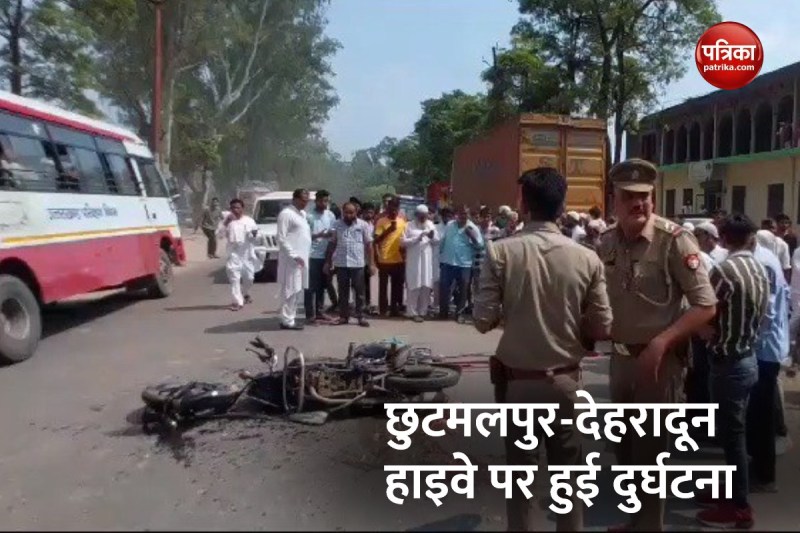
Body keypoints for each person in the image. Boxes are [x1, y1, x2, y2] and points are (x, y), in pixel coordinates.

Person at [473, 167, 612, 531]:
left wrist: (515, 310)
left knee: (520, 482)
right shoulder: (587, 258)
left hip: (517, 384)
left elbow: (482, 319)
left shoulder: (500, 252)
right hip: (566, 384)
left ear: (523, 204)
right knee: (569, 481)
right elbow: (602, 326)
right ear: (562, 205)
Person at [597, 158, 717, 532]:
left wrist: (661, 343)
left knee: (651, 450)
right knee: (624, 451)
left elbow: (706, 306)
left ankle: (651, 526)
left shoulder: (674, 240)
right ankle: (638, 521)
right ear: (613, 199)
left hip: (658, 363)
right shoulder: (605, 241)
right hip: (619, 360)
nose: (639, 204)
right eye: (629, 196)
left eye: (645, 197)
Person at [695, 214, 769, 529]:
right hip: (749, 356)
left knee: (732, 434)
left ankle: (739, 507)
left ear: (723, 239)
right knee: (734, 430)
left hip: (728, 361)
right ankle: (733, 487)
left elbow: (704, 311)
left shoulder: (723, 271)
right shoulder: (758, 267)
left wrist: (703, 332)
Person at [748, 234, 790, 494]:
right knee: (759, 411)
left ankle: (764, 476)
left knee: (761, 414)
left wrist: (749, 341)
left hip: (764, 349)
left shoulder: (761, 263)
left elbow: (767, 309)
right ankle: (759, 467)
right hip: (768, 346)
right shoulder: (765, 258)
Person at [324, 202, 374, 327]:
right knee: (343, 292)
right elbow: (332, 244)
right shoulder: (336, 225)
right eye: (346, 212)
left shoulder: (363, 225)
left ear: (356, 212)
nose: (349, 215)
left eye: (351, 212)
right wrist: (328, 262)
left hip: (358, 264)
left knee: (359, 292)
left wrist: (372, 264)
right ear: (342, 212)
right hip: (342, 264)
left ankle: (360, 316)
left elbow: (369, 245)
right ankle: (343, 317)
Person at [439, 205, 483, 323]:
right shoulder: (449, 225)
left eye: (465, 214)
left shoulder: (473, 228)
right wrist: (439, 257)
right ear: (457, 214)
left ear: (468, 215)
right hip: (448, 261)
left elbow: (480, 246)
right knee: (444, 287)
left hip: (464, 264)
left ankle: (459, 314)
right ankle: (443, 312)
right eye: (461, 213)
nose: (463, 216)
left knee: (463, 290)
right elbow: (442, 241)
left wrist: (472, 237)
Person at [276, 188, 312, 330]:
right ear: (295, 199)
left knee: (297, 289)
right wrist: (293, 255)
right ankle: (287, 320)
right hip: (292, 259)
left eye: (307, 201)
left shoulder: (302, 214)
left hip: (302, 258)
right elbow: (281, 238)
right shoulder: (286, 214)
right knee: (290, 289)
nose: (305, 203)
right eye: (303, 200)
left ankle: (290, 317)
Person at [219, 198, 258, 311]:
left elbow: (256, 236)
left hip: (247, 253)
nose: (235, 210)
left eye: (238, 208)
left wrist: (254, 235)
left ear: (242, 209)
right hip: (233, 254)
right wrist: (226, 223)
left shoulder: (249, 221)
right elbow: (219, 235)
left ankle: (245, 293)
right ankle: (237, 302)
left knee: (249, 277)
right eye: (233, 208)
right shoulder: (226, 222)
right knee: (234, 278)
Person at [304, 190, 336, 324]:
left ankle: (320, 312)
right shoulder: (308, 216)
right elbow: (304, 237)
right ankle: (310, 314)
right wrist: (319, 235)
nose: (324, 203)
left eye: (326, 201)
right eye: (322, 201)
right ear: (316, 201)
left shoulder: (330, 215)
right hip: (312, 255)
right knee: (311, 286)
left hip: (326, 255)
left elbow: (334, 235)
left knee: (323, 285)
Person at [401, 205, 438, 322]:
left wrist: (432, 237)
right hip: (414, 260)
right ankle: (411, 312)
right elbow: (402, 242)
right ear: (416, 215)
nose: (423, 219)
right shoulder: (408, 225)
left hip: (426, 260)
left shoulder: (431, 225)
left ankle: (423, 312)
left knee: (426, 285)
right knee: (414, 284)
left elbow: (437, 241)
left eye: (425, 216)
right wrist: (418, 238)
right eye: (421, 216)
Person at [373, 196, 407, 317]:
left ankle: (394, 308)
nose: (393, 209)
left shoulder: (403, 222)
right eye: (391, 206)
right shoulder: (381, 221)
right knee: (383, 287)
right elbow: (376, 240)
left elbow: (405, 240)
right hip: (384, 259)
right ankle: (383, 309)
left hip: (398, 259)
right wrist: (388, 230)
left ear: (398, 208)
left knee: (397, 286)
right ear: (387, 207)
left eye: (395, 207)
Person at [432, 207, 453, 312]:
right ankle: (436, 306)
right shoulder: (435, 227)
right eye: (445, 216)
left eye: (449, 216)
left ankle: (446, 306)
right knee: (436, 283)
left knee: (448, 285)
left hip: (449, 260)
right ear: (441, 216)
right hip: (437, 258)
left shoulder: (453, 228)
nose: (447, 218)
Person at [360, 202, 377, 313]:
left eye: (371, 212)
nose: (369, 214)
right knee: (359, 283)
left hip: (369, 258)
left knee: (368, 283)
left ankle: (368, 303)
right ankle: (361, 304)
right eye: (367, 212)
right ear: (362, 212)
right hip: (359, 258)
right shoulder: (359, 224)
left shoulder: (373, 225)